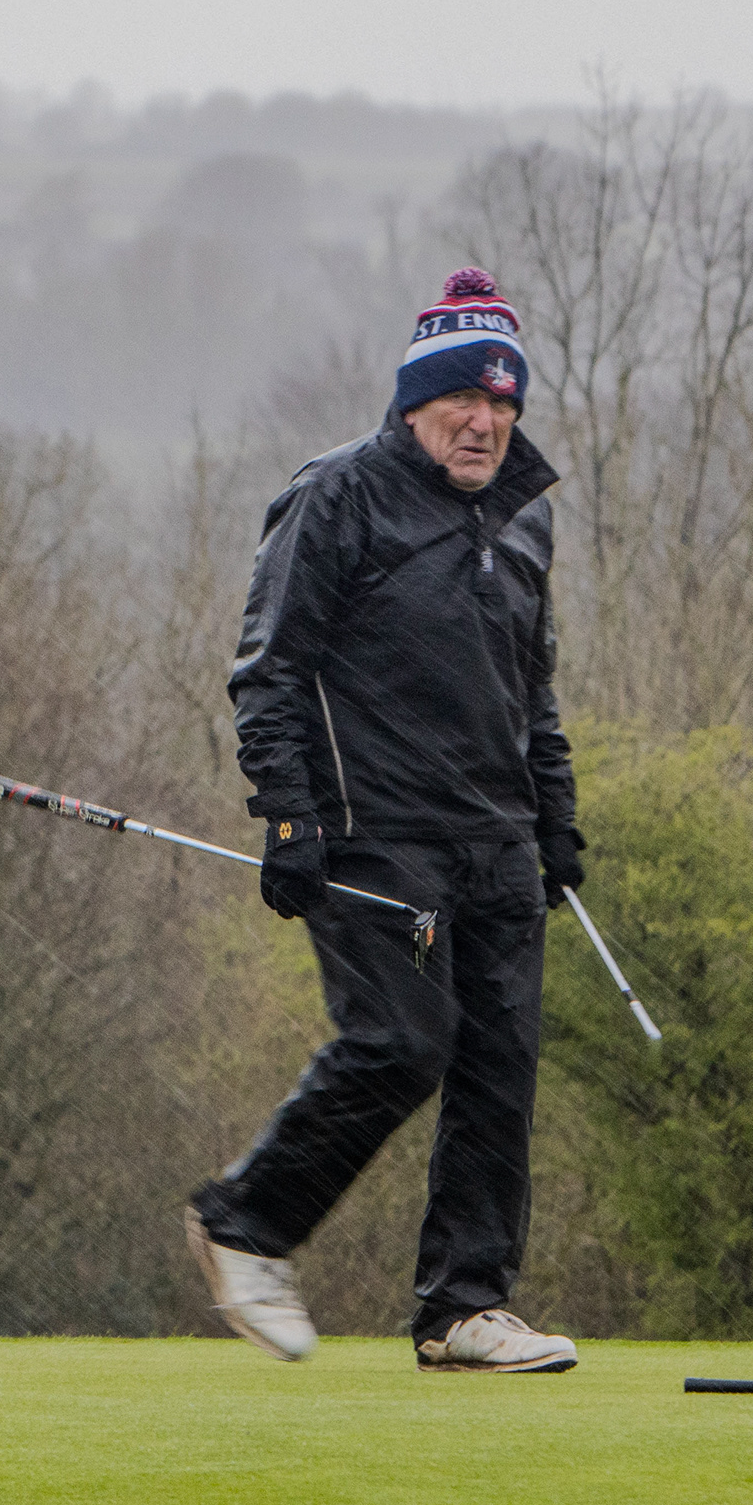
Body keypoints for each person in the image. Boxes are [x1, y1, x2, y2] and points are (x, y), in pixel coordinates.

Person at [183, 268, 584, 1374]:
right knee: (403, 1042)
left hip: (497, 840)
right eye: (461, 398)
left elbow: (532, 690)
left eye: (501, 401)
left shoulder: (527, 516)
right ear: (414, 404)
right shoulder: (339, 495)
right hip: (376, 834)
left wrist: (556, 820)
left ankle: (465, 1308)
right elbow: (269, 672)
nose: (483, 421)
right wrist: (288, 818)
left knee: (500, 1068)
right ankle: (244, 1224)